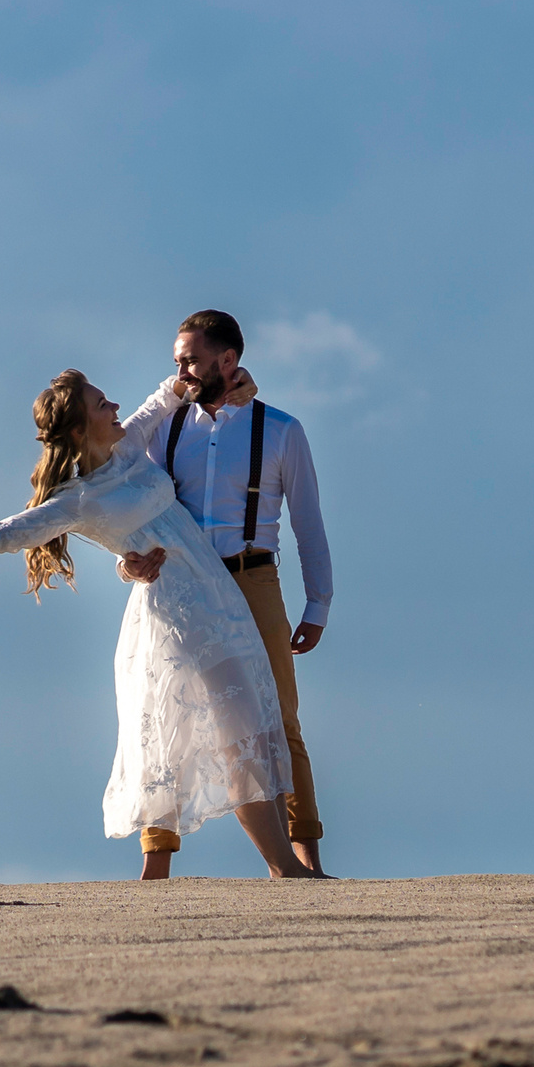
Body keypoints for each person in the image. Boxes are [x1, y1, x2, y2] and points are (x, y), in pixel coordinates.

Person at [0, 369, 321, 880]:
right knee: (238, 736)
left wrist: (223, 378)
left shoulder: (129, 446)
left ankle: (276, 868)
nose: (115, 406)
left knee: (253, 728)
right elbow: (2, 535)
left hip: (221, 602)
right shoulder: (76, 500)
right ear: (80, 430)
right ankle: (283, 867)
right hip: (182, 618)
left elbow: (165, 396)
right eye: (101, 404)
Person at [113, 310, 334, 880]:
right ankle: (155, 865)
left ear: (227, 359)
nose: (181, 370)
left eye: (190, 360)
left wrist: (318, 604)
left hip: (252, 578)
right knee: (163, 716)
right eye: (177, 360)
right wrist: (127, 560)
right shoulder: (165, 428)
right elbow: (133, 502)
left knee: (279, 717)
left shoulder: (280, 429)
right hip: (181, 584)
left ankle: (305, 860)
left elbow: (308, 523)